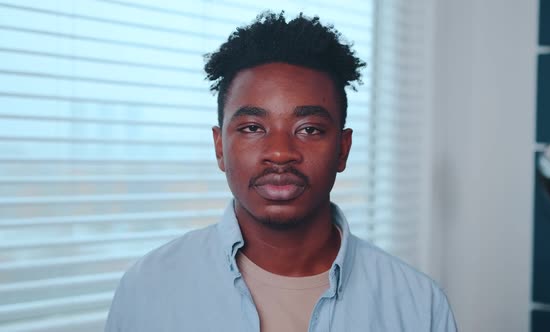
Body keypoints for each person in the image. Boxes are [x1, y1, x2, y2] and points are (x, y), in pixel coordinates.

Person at [105, 11, 457, 332]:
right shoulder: (147, 288)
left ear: (343, 149)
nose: (279, 152)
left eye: (309, 129)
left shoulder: (418, 305)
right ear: (219, 147)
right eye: (253, 128)